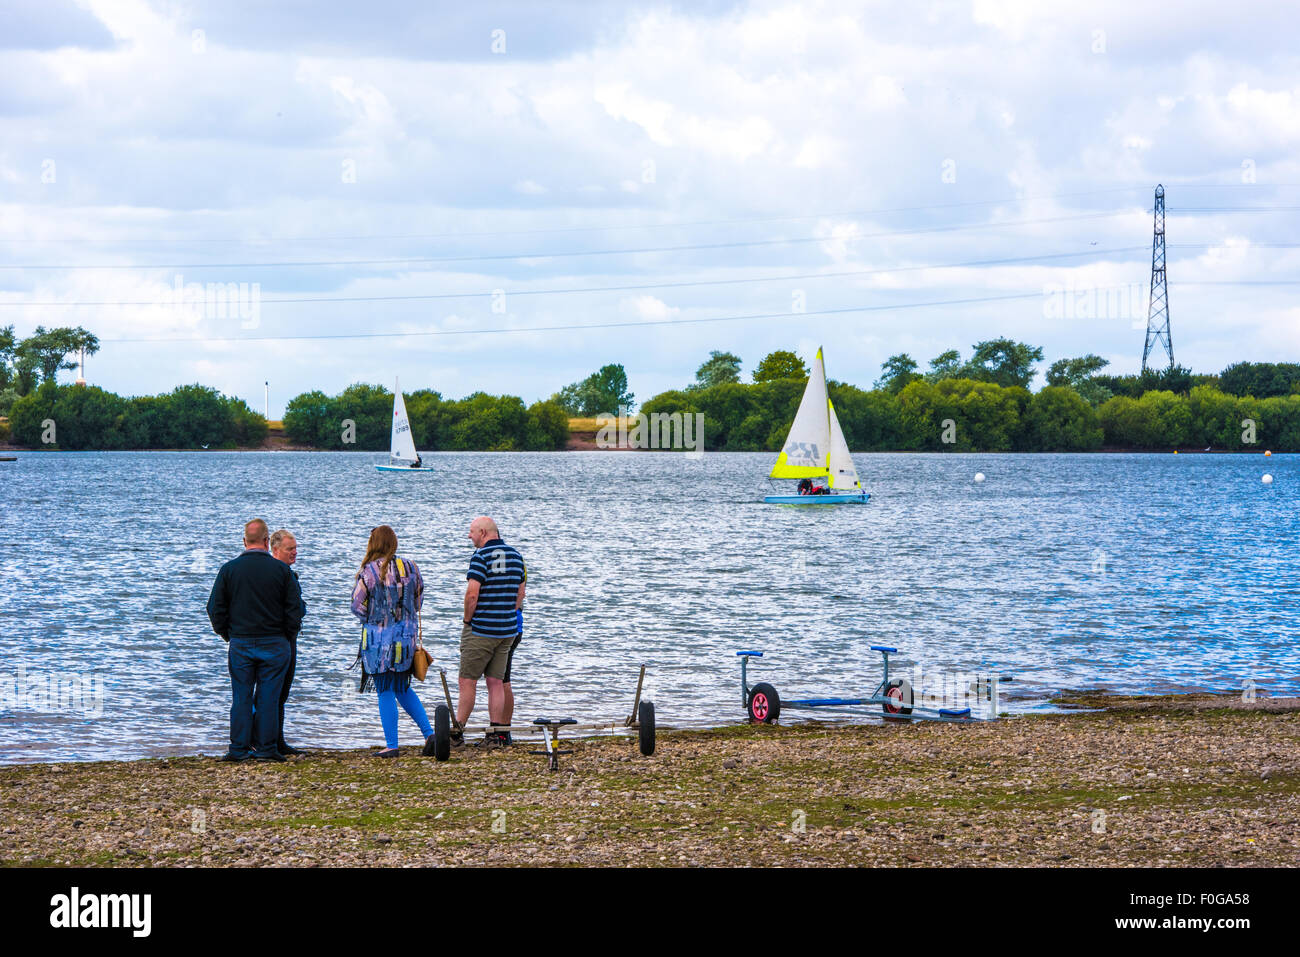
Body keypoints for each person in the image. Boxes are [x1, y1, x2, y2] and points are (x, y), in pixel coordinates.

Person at [206, 519, 303, 762]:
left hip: (241, 641)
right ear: (266, 542)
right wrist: (287, 634)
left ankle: (239, 748)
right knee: (269, 696)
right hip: (274, 641)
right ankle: (267, 748)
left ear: (244, 542)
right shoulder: (281, 571)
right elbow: (295, 610)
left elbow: (215, 608)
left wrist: (228, 634)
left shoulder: (229, 569)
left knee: (241, 696)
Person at [350, 525, 436, 758]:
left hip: (378, 641)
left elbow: (357, 607)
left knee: (385, 689)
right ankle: (429, 735)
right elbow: (418, 603)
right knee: (402, 686)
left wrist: (377, 616)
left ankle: (392, 744)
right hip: (406, 639)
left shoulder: (368, 571)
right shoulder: (411, 567)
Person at [454, 516, 526, 749]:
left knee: (467, 681)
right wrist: (505, 614)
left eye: (472, 531)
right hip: (507, 630)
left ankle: (457, 732)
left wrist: (467, 620)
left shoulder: (480, 557)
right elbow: (520, 595)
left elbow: (472, 594)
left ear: (484, 533)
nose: (469, 536)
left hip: (481, 629)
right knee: (496, 682)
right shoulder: (516, 556)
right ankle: (496, 733)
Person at [269, 528, 307, 756]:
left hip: (287, 637)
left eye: (295, 549)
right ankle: (269, 740)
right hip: (280, 638)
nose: (294, 553)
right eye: (289, 549)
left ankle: (277, 739)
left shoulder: (289, 574)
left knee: (282, 692)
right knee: (272, 692)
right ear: (275, 549)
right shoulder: (279, 574)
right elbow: (294, 609)